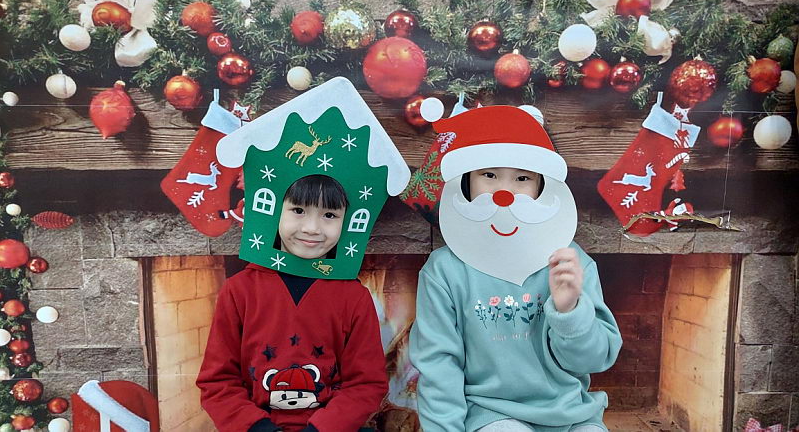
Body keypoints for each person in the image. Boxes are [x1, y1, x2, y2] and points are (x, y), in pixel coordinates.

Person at [197, 77, 411, 432]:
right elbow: (217, 382)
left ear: (346, 221)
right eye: (298, 211)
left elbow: (366, 384)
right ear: (273, 211)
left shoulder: (353, 298)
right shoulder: (239, 292)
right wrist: (257, 428)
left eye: (329, 215)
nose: (312, 228)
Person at [409, 103, 622, 432]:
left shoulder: (570, 263)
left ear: (541, 187)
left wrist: (569, 312)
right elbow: (438, 365)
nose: (504, 193)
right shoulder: (444, 272)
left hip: (571, 414)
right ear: (466, 181)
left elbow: (594, 360)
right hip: (490, 414)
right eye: (489, 175)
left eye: (522, 178)